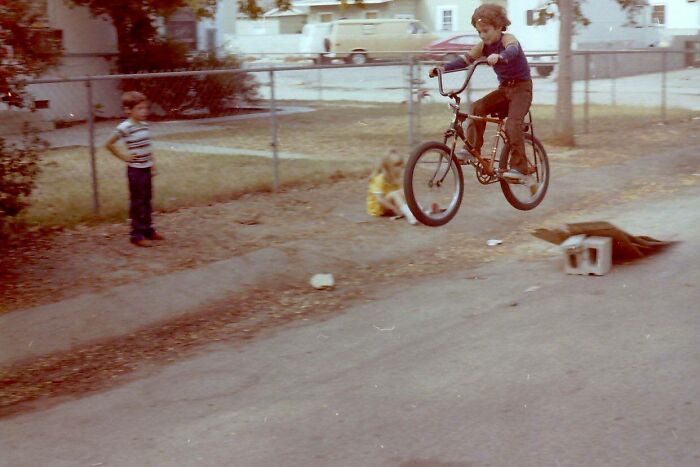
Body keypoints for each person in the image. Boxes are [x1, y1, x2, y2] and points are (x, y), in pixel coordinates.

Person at [429, 3, 535, 186]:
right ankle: (472, 149)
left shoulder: (507, 39)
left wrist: (501, 56)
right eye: (479, 32)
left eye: (486, 30)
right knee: (477, 107)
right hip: (504, 90)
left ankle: (520, 168)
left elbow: (512, 50)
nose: (482, 35)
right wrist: (443, 68)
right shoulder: (483, 47)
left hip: (521, 90)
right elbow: (466, 60)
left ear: (499, 27)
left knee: (513, 124)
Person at [105, 91, 164, 247]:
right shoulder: (125, 127)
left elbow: (147, 147)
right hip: (135, 171)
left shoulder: (144, 125)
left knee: (147, 200)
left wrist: (152, 164)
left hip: (146, 168)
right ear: (128, 110)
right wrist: (124, 157)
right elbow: (109, 144)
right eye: (139, 108)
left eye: (145, 108)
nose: (144, 111)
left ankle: (148, 230)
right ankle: (136, 235)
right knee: (137, 202)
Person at [366, 150, 417, 225]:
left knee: (403, 191)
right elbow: (380, 200)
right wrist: (395, 209)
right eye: (396, 165)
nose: (399, 168)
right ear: (387, 167)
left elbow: (400, 196)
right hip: (377, 209)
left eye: (400, 165)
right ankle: (410, 214)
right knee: (394, 193)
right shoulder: (379, 179)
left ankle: (418, 209)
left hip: (387, 206)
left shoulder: (394, 179)